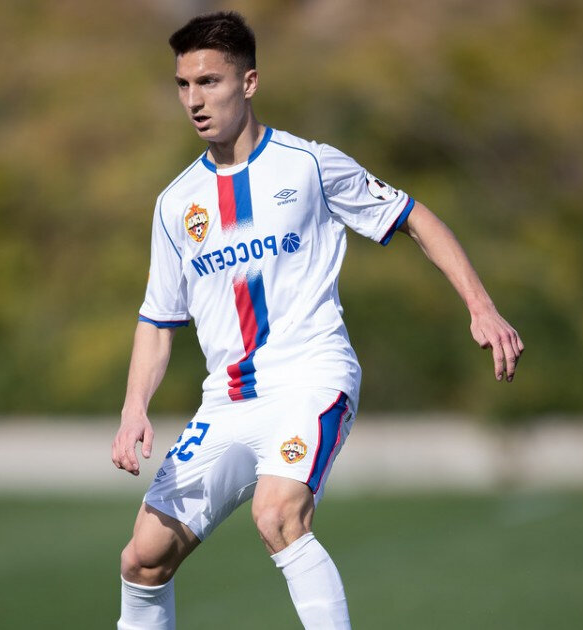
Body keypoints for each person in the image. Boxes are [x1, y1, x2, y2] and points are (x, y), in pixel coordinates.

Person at [110, 11, 523, 629]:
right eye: (183, 85)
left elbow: (413, 216)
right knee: (143, 560)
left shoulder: (309, 165)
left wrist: (481, 306)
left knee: (277, 514)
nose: (194, 100)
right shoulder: (175, 205)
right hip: (227, 401)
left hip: (310, 378)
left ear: (249, 82)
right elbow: (158, 319)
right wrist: (133, 407)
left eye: (210, 82)